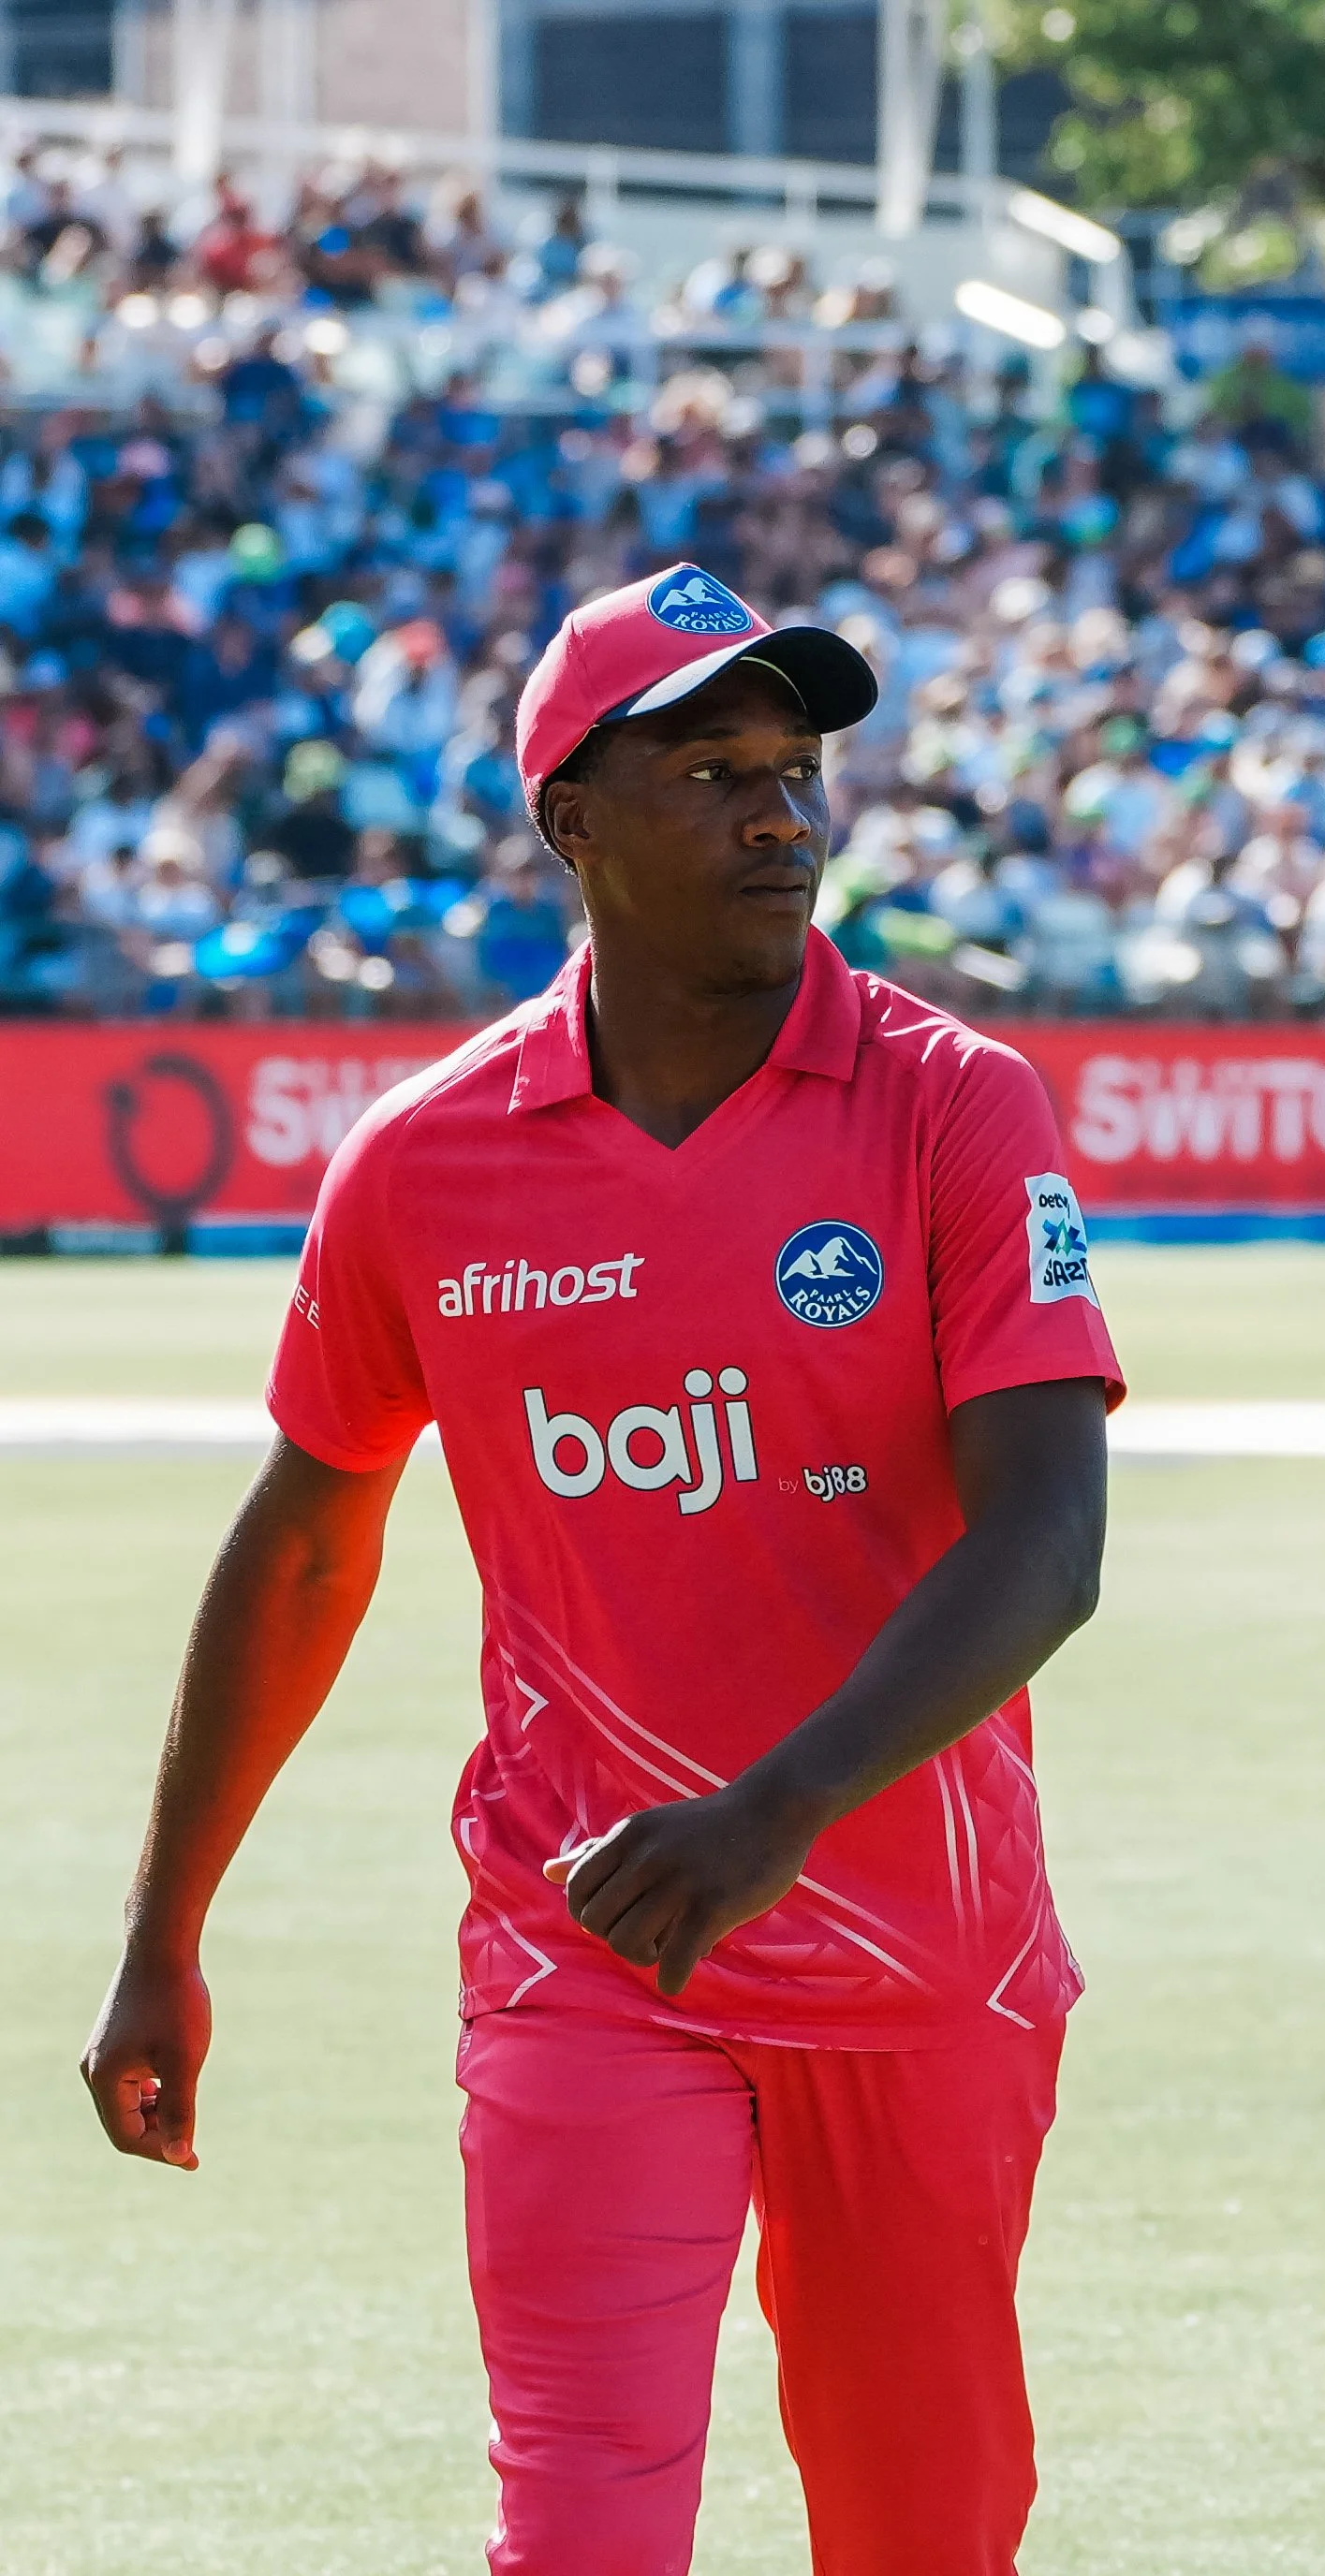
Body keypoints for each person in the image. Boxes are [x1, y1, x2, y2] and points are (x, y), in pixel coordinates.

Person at [81, 563, 1124, 2576]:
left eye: (800, 771)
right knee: (579, 2533)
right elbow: (307, 1543)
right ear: (569, 818)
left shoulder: (954, 1107)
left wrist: (775, 1812)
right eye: (715, 770)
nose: (781, 815)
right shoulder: (424, 1159)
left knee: (922, 2532)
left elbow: (1046, 1540)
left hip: (926, 1957)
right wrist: (165, 1925)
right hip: (586, 1945)